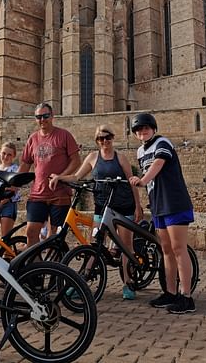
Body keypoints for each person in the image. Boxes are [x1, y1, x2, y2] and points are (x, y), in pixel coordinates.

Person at [49, 124, 143, 300]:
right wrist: (60, 177)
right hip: (102, 206)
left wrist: (138, 206)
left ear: (112, 138)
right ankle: (82, 283)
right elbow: (77, 176)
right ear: (97, 141)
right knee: (95, 244)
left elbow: (131, 183)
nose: (104, 141)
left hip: (123, 206)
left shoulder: (120, 158)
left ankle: (127, 283)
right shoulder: (93, 157)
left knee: (126, 246)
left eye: (107, 138)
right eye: (101, 139)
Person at [128, 113, 196, 314]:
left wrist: (142, 180)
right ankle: (171, 292)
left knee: (178, 248)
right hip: (158, 205)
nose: (143, 131)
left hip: (174, 202)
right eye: (139, 130)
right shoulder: (140, 151)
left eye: (146, 128)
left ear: (153, 128)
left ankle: (187, 297)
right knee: (165, 250)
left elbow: (158, 164)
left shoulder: (162, 142)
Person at [18, 102, 81, 247]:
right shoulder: (33, 138)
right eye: (38, 117)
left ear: (52, 116)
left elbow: (76, 161)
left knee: (54, 236)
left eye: (45, 116)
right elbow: (25, 164)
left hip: (60, 194)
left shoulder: (64, 135)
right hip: (37, 194)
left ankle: (53, 268)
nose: (42, 119)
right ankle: (37, 266)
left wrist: (61, 176)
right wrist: (13, 185)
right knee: (31, 232)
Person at [0, 142, 22, 236]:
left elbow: (13, 190)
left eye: (9, 154)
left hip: (8, 204)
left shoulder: (15, 170)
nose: (6, 157)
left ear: (13, 156)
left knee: (5, 237)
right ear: (0, 153)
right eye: (4, 153)